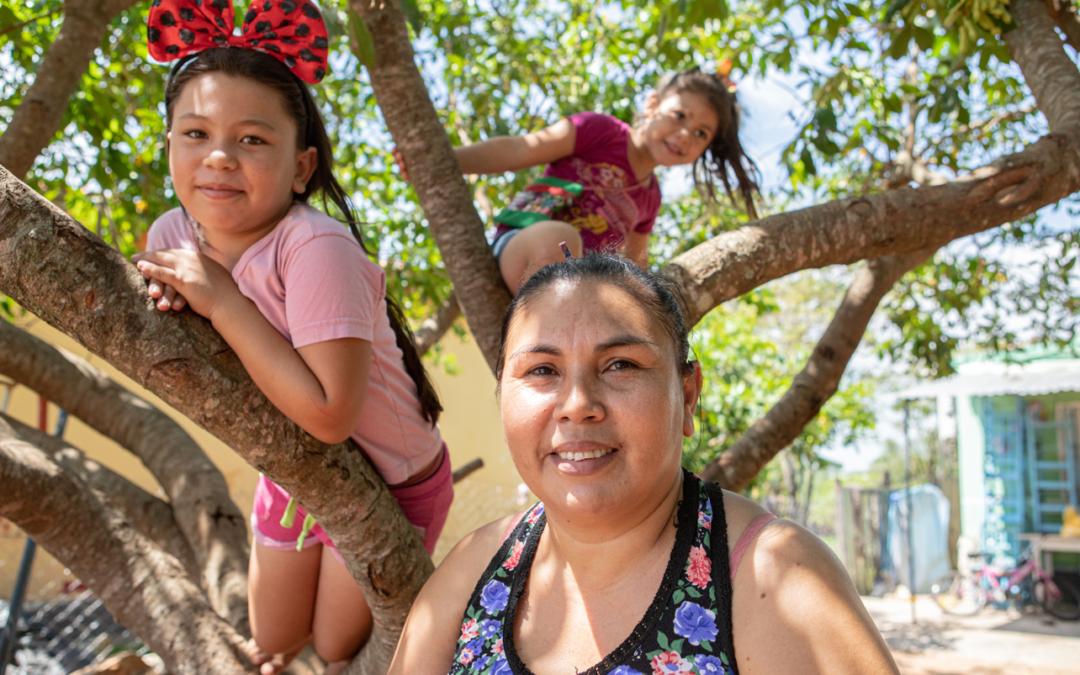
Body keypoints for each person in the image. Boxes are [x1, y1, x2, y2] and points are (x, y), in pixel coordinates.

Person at [387, 255, 900, 675]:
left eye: (621, 365)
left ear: (689, 394)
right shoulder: (476, 567)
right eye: (542, 370)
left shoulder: (773, 576)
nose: (578, 403)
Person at [133, 2, 453, 673]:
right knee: (274, 640)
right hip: (291, 467)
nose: (218, 157)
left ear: (301, 167)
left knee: (334, 646)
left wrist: (218, 297)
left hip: (392, 481)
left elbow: (332, 414)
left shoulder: (314, 246)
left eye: (252, 140)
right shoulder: (171, 235)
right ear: (168, 147)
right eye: (194, 133)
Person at [393, 65, 759, 293]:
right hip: (524, 250)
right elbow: (520, 151)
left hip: (576, 291)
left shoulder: (650, 199)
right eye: (679, 115)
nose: (684, 134)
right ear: (652, 105)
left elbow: (632, 270)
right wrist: (444, 161)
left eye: (700, 134)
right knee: (562, 239)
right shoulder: (599, 131)